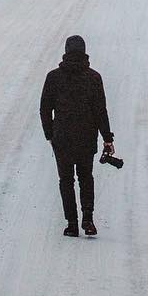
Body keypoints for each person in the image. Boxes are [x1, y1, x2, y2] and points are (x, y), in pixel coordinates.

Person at [39, 34, 115, 237]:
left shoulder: (53, 77)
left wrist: (50, 133)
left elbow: (44, 108)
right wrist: (107, 138)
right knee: (85, 178)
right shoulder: (93, 78)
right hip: (86, 138)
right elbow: (101, 111)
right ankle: (88, 218)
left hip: (61, 138)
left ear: (66, 52)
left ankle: (72, 223)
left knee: (66, 181)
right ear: (84, 52)